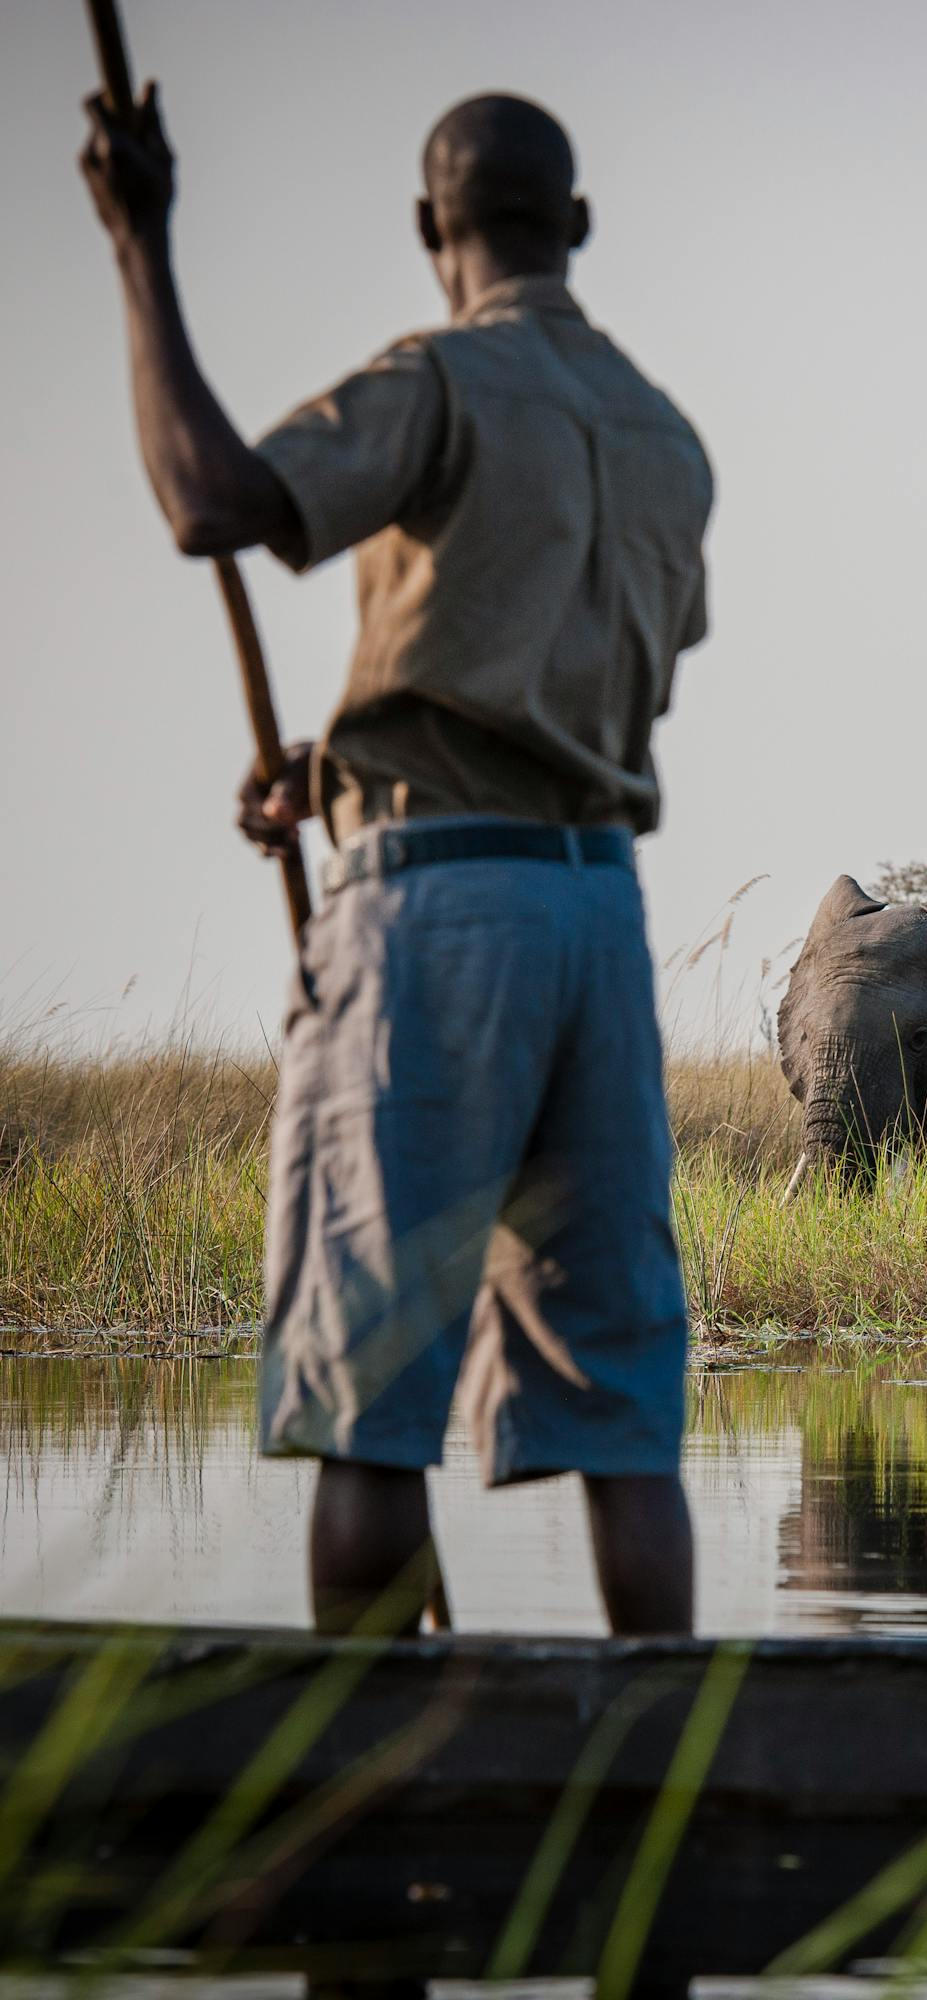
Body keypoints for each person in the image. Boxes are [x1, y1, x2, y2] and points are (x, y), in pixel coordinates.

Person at [80, 86, 710, 1636]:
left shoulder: (440, 380)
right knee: (624, 1414)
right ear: (575, 226)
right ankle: (671, 1778)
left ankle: (353, 1815)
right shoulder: (663, 436)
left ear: (435, 231)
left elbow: (209, 502)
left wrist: (139, 247)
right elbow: (564, 688)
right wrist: (334, 775)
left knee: (368, 1393)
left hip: (440, 923)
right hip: (595, 917)